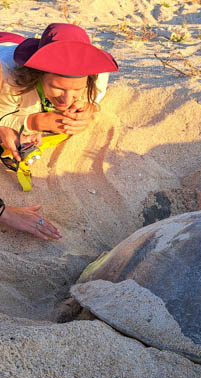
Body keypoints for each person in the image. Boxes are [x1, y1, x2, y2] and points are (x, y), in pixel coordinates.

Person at [0, 24, 118, 240]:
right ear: (37, 74)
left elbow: (93, 99)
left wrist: (89, 109)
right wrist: (34, 121)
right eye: (57, 87)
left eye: (76, 89)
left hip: (18, 42)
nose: (66, 99)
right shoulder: (6, 74)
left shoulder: (96, 74)